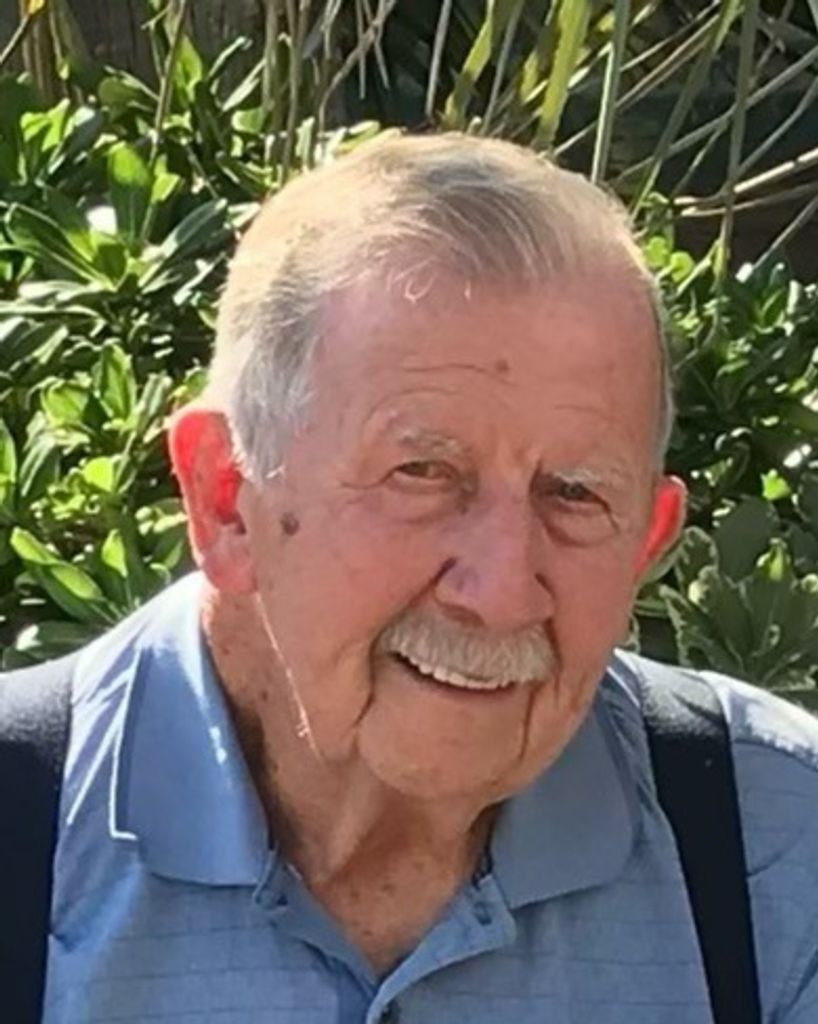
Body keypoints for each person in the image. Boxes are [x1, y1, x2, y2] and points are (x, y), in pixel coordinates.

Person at [33, 133, 818, 1022]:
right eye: (423, 474)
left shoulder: (773, 852)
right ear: (226, 500)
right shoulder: (29, 835)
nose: (502, 592)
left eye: (575, 494)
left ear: (645, 540)